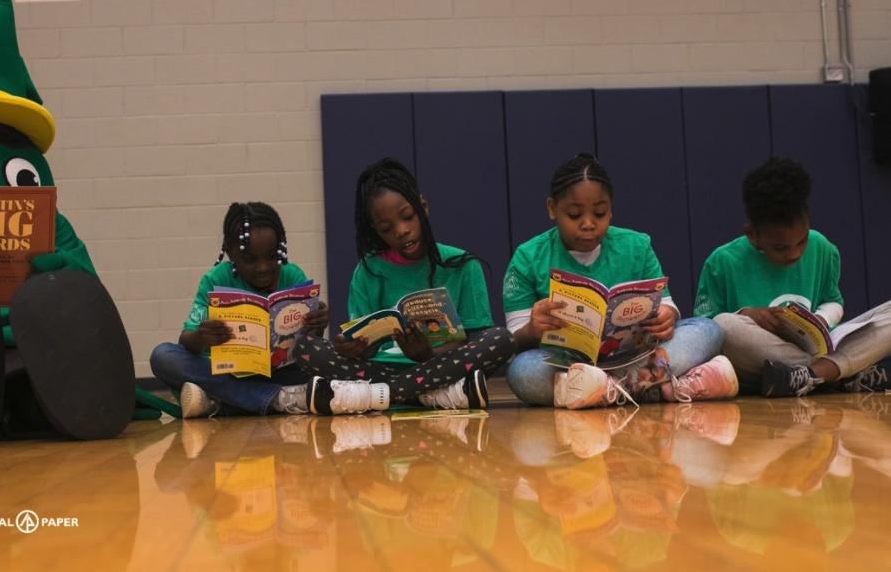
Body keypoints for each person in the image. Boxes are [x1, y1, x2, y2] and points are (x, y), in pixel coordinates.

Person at [503, 153, 732, 409]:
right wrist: (532, 329)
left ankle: (606, 389)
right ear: (552, 209)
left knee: (709, 329)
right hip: (567, 360)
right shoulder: (528, 257)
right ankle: (655, 384)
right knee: (522, 372)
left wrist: (667, 316)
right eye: (575, 215)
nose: (588, 224)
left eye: (599, 213)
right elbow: (514, 338)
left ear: (611, 210)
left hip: (633, 354)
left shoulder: (637, 245)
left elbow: (668, 306)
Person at [291, 158, 517, 412]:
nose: (402, 231)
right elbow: (365, 346)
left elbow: (475, 340)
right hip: (379, 369)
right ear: (376, 231)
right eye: (387, 228)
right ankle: (426, 396)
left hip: (442, 366)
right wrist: (351, 349)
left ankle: (379, 396)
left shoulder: (462, 265)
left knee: (501, 339)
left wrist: (426, 355)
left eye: (408, 217)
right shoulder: (367, 272)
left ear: (424, 207)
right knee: (305, 348)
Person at [150, 202, 390, 418]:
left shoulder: (292, 275)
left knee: (328, 356)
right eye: (250, 260)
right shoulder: (215, 280)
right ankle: (279, 399)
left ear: (282, 250)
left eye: (271, 257)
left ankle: (222, 403)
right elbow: (186, 341)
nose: (263, 268)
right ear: (231, 253)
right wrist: (202, 337)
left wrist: (318, 325)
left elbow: (309, 346)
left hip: (283, 372)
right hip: (228, 374)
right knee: (163, 356)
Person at [694, 157, 891, 397]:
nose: (795, 253)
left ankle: (811, 376)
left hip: (818, 351)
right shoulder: (722, 261)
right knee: (725, 325)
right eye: (780, 248)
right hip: (763, 359)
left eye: (802, 241)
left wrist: (820, 320)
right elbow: (705, 333)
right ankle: (839, 373)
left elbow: (833, 301)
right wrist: (748, 315)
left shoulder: (823, 247)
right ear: (752, 234)